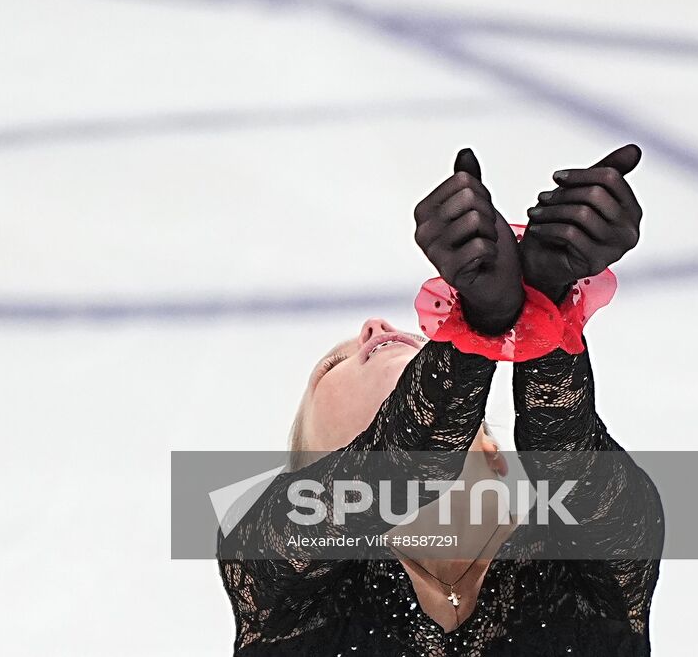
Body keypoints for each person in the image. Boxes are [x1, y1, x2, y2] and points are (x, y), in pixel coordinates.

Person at [218, 145, 664, 656]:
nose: (376, 328)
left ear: (492, 454)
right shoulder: (283, 581)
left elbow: (568, 461)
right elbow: (401, 466)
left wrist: (545, 299)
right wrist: (482, 325)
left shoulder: (586, 570)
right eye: (332, 366)